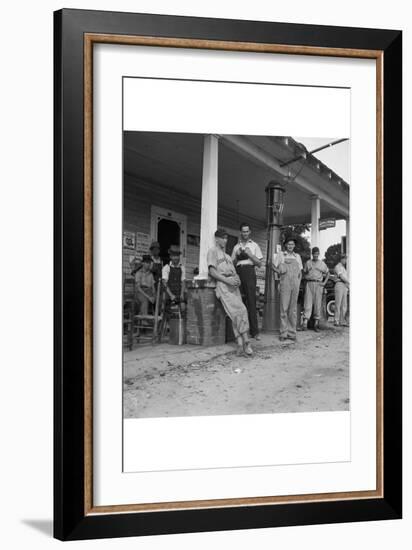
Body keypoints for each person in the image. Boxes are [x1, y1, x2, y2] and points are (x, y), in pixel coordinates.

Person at [208, 229, 253, 356]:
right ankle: (246, 342)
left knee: (235, 315)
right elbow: (212, 272)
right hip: (223, 285)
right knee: (241, 310)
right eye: (223, 238)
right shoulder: (212, 252)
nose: (225, 240)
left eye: (226, 238)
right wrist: (227, 280)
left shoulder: (227, 256)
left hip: (233, 286)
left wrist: (237, 280)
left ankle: (239, 344)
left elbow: (234, 272)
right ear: (217, 239)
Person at [231, 222, 263, 340]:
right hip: (238, 273)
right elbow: (232, 264)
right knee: (239, 303)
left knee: (251, 302)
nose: (245, 233)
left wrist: (250, 255)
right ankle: (241, 332)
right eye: (243, 231)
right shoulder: (236, 247)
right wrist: (237, 256)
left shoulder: (254, 245)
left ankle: (254, 332)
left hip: (250, 272)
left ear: (250, 232)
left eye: (247, 231)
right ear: (240, 232)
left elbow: (259, 264)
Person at [272, 237, 303, 341]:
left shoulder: (297, 256)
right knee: (284, 308)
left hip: (295, 283)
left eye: (292, 244)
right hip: (285, 282)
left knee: (293, 309)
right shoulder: (281, 255)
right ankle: (283, 333)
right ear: (286, 245)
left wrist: (298, 281)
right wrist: (279, 274)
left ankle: (292, 332)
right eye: (289, 244)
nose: (290, 246)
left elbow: (300, 271)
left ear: (294, 246)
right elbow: (273, 266)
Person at [301, 246, 329, 332]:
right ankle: (305, 323)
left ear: (318, 254)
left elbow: (328, 273)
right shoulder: (308, 262)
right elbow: (303, 272)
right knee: (307, 302)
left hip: (318, 284)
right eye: (314, 254)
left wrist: (324, 283)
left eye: (317, 254)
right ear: (312, 254)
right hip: (309, 283)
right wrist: (305, 277)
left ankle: (316, 324)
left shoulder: (322, 264)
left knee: (317, 303)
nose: (315, 255)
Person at [334, 253, 349, 326]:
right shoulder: (338, 266)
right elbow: (341, 277)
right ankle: (336, 320)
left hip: (344, 285)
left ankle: (342, 320)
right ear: (341, 259)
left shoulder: (344, 268)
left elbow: (345, 279)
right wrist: (349, 282)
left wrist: (348, 286)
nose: (345, 260)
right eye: (344, 258)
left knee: (344, 304)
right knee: (338, 303)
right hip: (339, 284)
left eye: (345, 258)